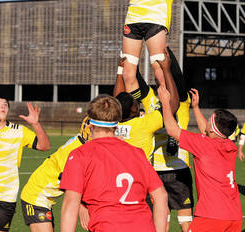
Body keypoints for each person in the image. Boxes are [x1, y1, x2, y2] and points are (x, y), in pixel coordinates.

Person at [60, 94, 168, 232]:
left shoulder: (80, 155)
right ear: (118, 122)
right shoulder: (137, 153)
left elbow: (71, 204)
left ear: (90, 122)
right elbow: (161, 196)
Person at [158, 86, 243, 232]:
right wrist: (195, 107)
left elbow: (172, 130)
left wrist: (165, 103)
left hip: (211, 216)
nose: (207, 122)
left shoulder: (204, 145)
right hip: (234, 216)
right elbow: (209, 131)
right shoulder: (230, 146)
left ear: (212, 129)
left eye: (210, 120)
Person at [137, 47, 194, 232]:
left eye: (161, 71)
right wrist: (132, 55)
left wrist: (164, 54)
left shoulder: (182, 100)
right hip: (156, 171)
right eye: (156, 74)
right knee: (162, 221)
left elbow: (177, 76)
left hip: (179, 170)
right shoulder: (151, 98)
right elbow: (136, 79)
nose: (158, 75)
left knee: (186, 222)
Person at [20, 116, 91, 232]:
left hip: (45, 197)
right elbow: (70, 184)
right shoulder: (75, 151)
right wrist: (82, 207)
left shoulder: (82, 143)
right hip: (36, 196)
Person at [113, 48, 179, 163]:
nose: (136, 101)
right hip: (144, 176)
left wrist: (121, 70)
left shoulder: (113, 125)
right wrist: (167, 70)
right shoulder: (143, 124)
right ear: (134, 109)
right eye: (134, 101)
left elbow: (118, 99)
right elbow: (173, 105)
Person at [0, 98, 50, 232]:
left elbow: (44, 146)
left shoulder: (18, 131)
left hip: (4, 198)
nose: (2, 107)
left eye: (5, 105)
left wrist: (36, 124)